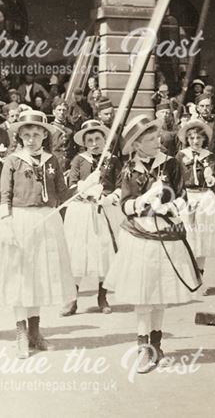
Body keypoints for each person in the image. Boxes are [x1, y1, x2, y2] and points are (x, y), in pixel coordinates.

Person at [105, 115, 200, 375]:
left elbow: (183, 196)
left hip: (166, 234)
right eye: (149, 139)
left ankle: (157, 345)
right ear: (136, 145)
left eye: (156, 136)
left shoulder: (171, 164)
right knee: (143, 293)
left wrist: (169, 207)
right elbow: (125, 204)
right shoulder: (129, 169)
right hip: (140, 234)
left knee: (160, 292)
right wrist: (144, 200)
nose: (157, 141)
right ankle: (142, 346)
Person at [0, 110, 74, 359]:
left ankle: (35, 332)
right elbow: (6, 194)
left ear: (45, 135)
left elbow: (62, 193)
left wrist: (87, 186)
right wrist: (7, 222)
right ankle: (21, 332)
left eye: (36, 134)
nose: (31, 139)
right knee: (20, 278)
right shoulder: (13, 161)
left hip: (46, 221)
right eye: (26, 134)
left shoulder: (52, 161)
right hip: (20, 220)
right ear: (19, 136)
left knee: (39, 277)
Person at [61, 119, 118, 317]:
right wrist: (86, 187)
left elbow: (120, 185)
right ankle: (72, 299)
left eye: (98, 139)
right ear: (84, 143)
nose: (94, 143)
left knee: (104, 253)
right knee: (78, 254)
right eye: (90, 140)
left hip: (104, 210)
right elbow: (72, 185)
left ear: (104, 139)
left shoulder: (112, 159)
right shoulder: (79, 160)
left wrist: (109, 197)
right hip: (82, 211)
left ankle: (102, 297)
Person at [176, 119, 215, 273]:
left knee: (202, 237)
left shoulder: (210, 156)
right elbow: (177, 179)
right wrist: (182, 198)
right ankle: (188, 274)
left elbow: (214, 180)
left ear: (204, 139)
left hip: (204, 196)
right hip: (188, 196)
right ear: (187, 139)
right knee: (188, 235)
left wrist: (209, 175)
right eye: (191, 138)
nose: (195, 141)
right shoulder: (180, 156)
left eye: (198, 137)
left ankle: (200, 273)